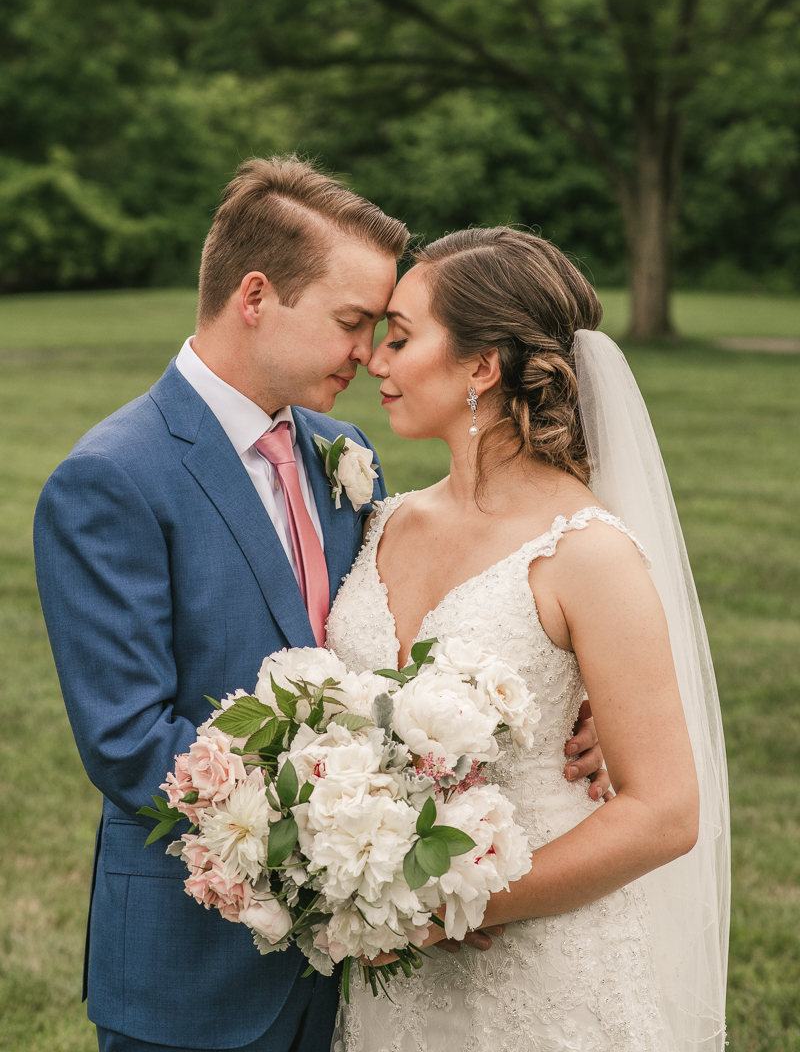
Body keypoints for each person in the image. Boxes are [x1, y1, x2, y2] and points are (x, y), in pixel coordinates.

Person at [33, 160, 609, 1052]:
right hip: (198, 968)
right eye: (352, 323)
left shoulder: (344, 452)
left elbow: (412, 634)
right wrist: (364, 860)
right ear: (256, 296)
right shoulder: (112, 479)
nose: (369, 355)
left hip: (355, 977)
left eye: (384, 330)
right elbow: (130, 743)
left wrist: (577, 697)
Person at [327, 227, 730, 1052]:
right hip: (392, 975)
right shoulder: (383, 520)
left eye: (401, 338)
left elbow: (664, 813)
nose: (375, 359)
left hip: (542, 963)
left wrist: (457, 904)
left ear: (483, 367)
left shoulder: (587, 552)